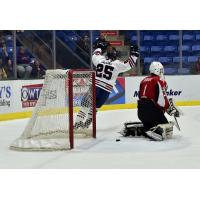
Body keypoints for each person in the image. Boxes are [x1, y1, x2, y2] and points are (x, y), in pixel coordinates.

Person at [74, 44, 140, 130]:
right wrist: (134, 55)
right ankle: (85, 126)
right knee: (95, 109)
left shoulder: (100, 60)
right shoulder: (117, 64)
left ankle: (76, 125)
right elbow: (130, 64)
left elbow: (95, 54)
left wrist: (99, 48)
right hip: (105, 91)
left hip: (95, 87)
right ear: (115, 56)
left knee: (85, 106)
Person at [122, 61, 181, 141]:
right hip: (152, 112)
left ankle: (142, 129)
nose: (162, 72)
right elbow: (161, 101)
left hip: (141, 112)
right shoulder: (159, 80)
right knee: (167, 126)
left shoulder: (144, 80)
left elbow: (140, 96)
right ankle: (156, 132)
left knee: (148, 125)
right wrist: (169, 109)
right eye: (161, 70)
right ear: (157, 70)